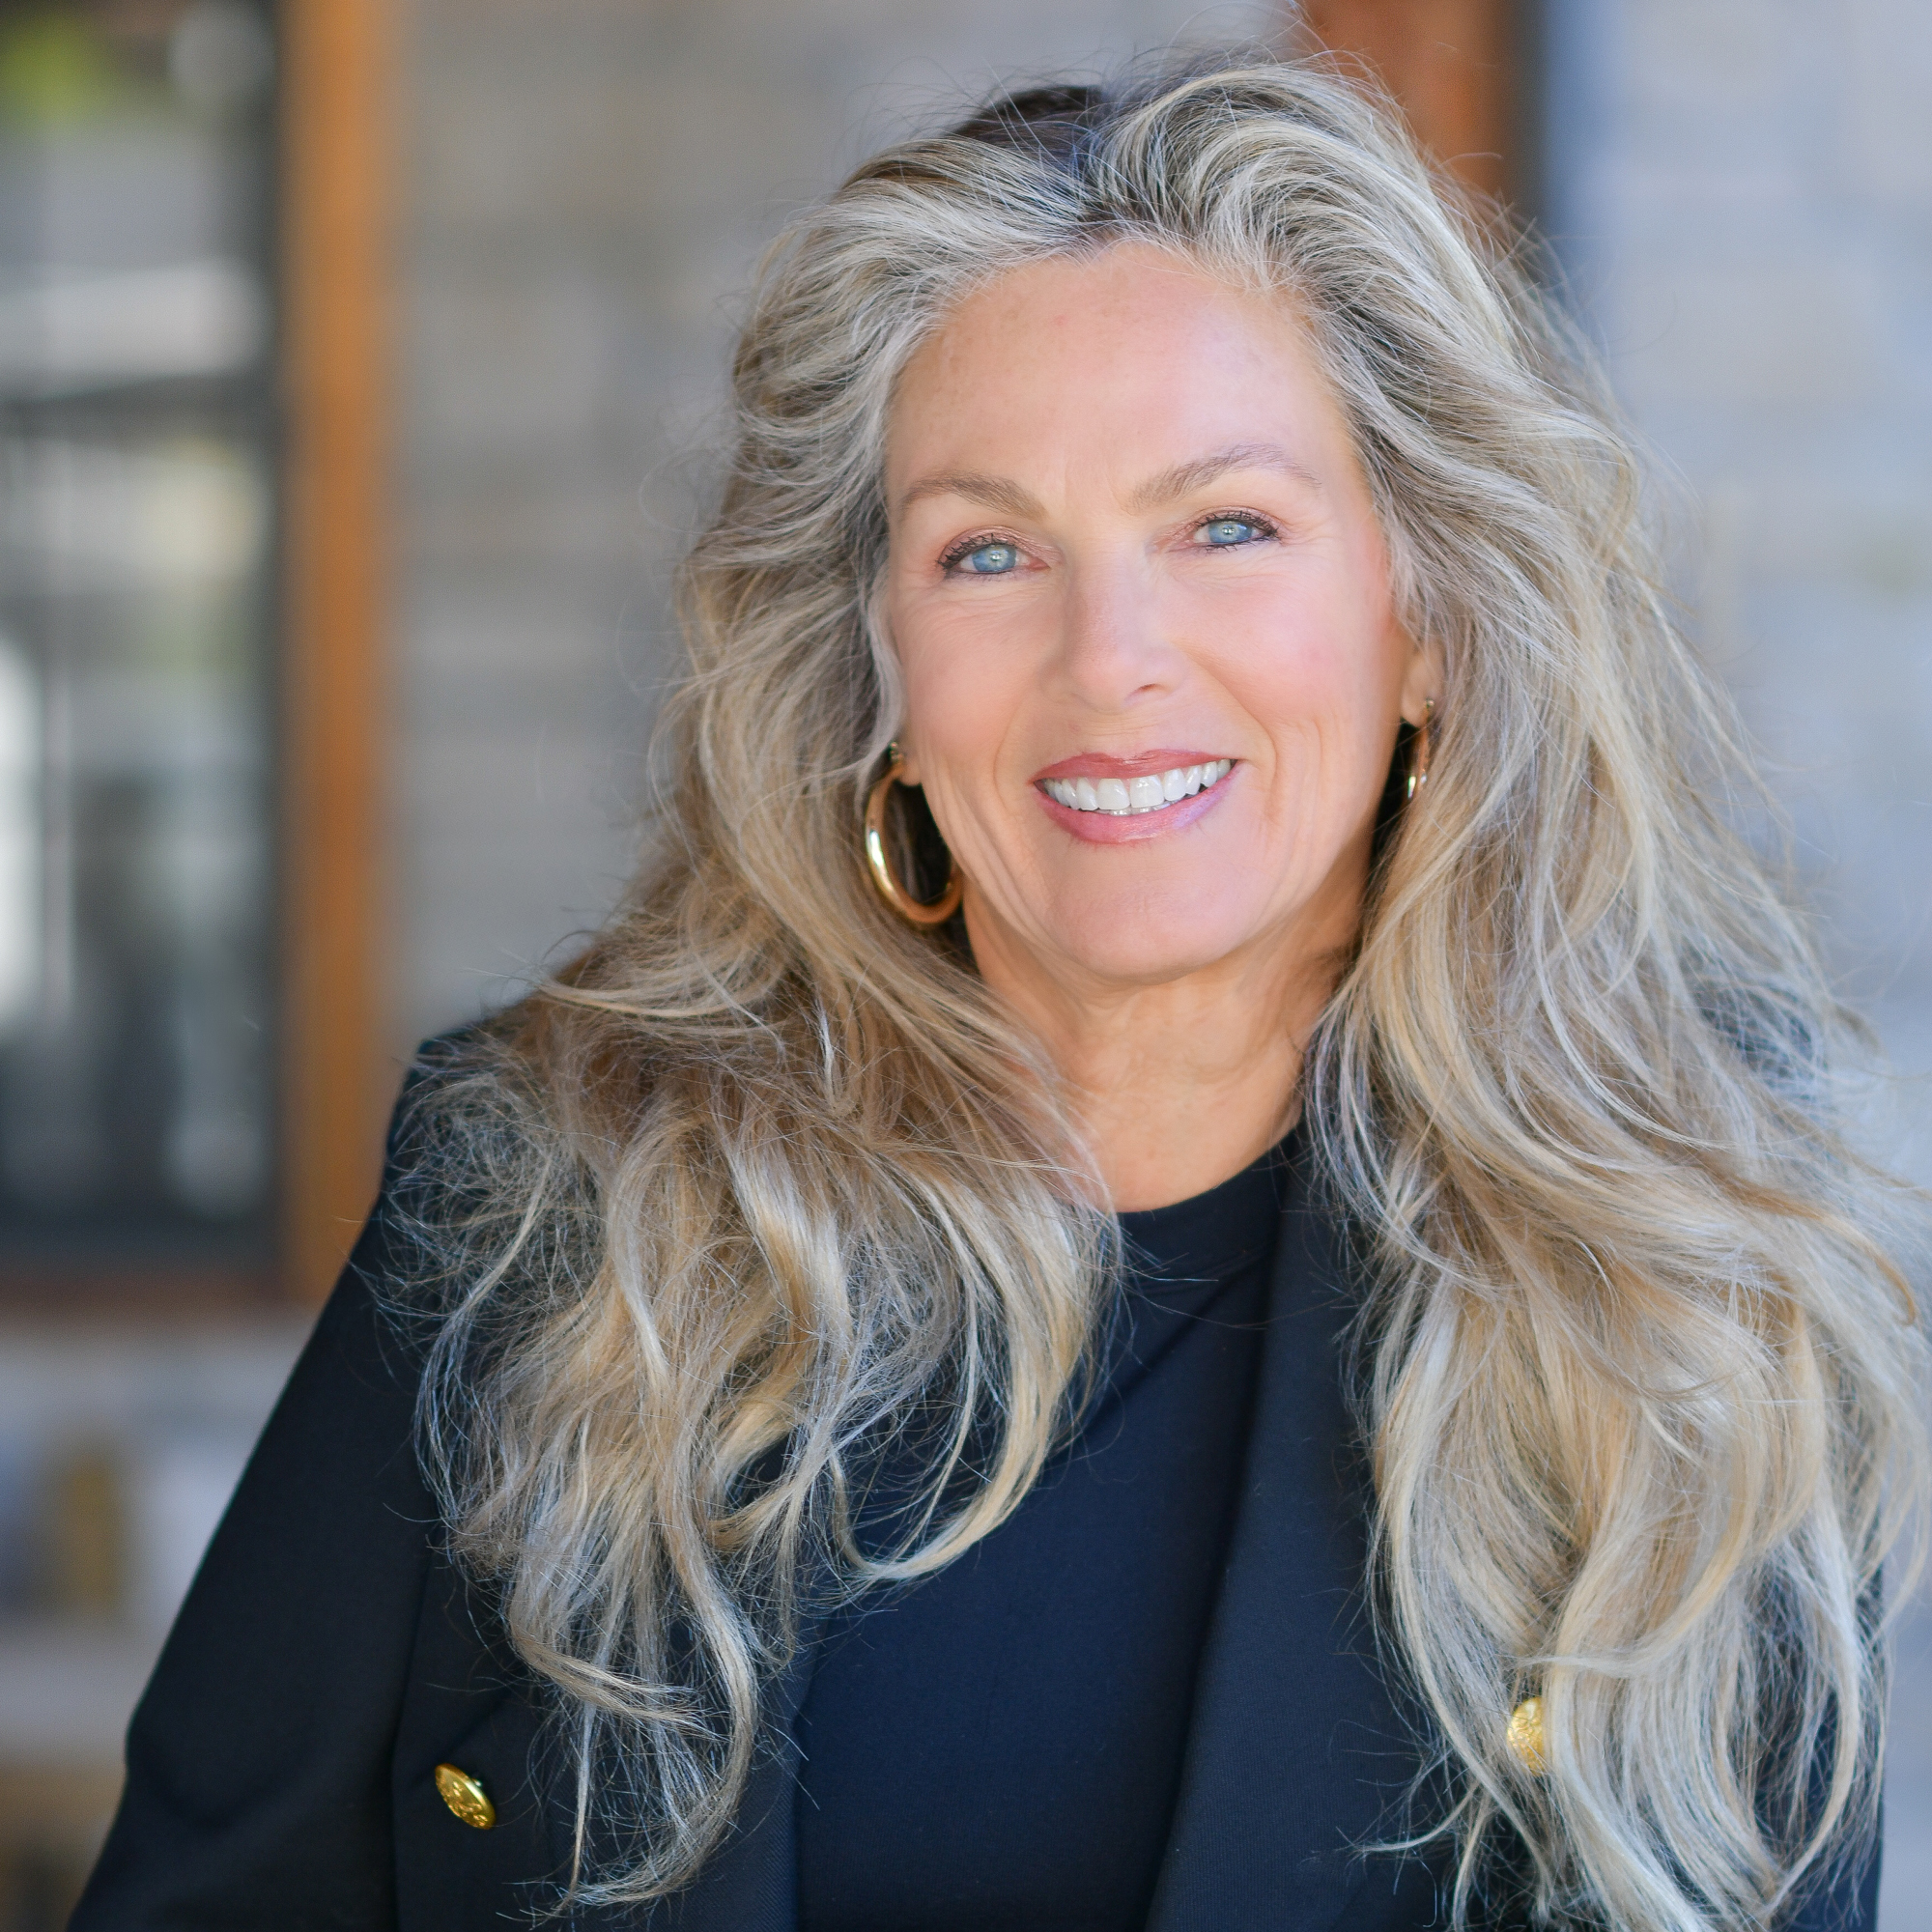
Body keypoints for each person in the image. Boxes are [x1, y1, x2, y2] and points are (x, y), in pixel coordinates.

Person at [72, 57, 1923, 1932]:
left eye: (1224, 526)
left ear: (1422, 618)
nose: (1109, 661)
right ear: (871, 662)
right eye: (987, 552)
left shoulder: (1689, 1306)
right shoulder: (550, 1198)